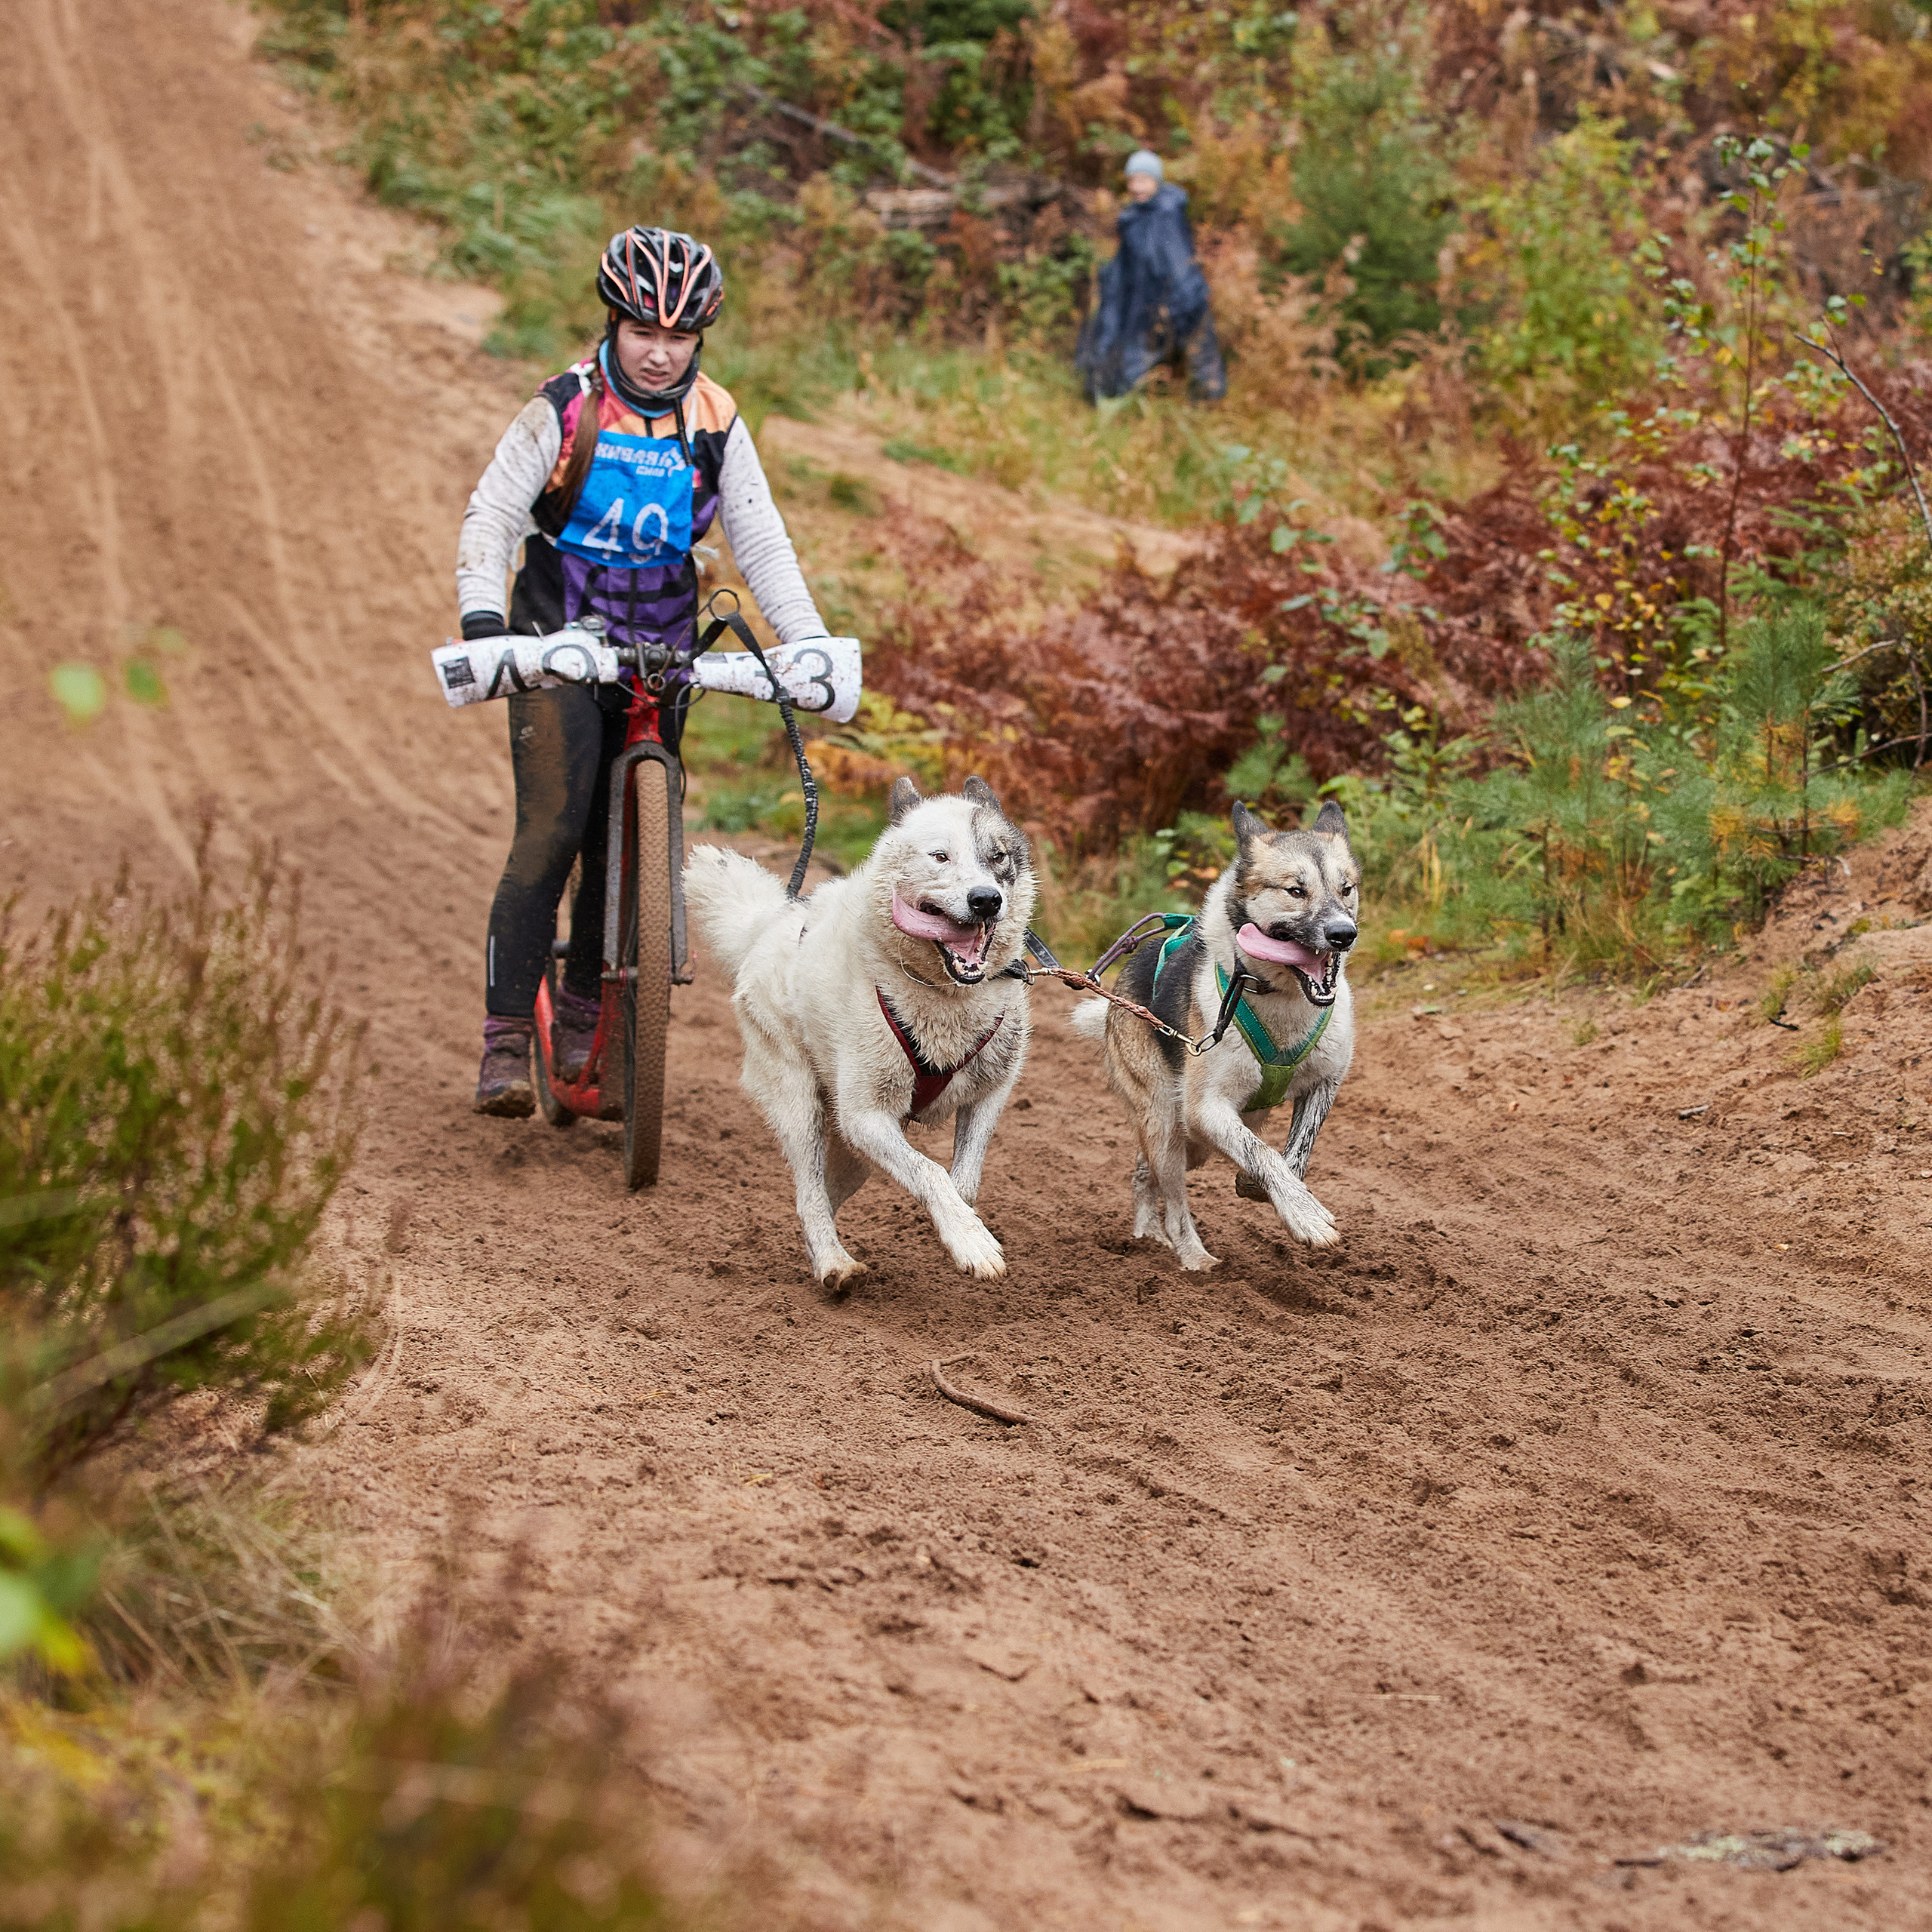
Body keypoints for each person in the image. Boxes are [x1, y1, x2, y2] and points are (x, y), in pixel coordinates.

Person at [456, 226, 829, 1116]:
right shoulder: (564, 410)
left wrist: (807, 637)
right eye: (643, 333)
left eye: (678, 338)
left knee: (620, 845)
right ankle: (507, 1038)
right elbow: (491, 517)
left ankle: (587, 1014)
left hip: (663, 643)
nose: (660, 354)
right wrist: (481, 619)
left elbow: (761, 542)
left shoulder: (715, 421)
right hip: (556, 636)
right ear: (613, 324)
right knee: (554, 828)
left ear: (700, 338)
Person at [1075, 150, 1226, 404]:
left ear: (1157, 181)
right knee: (1133, 350)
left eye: (1143, 180)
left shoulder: (1168, 215)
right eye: (1132, 181)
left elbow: (1177, 261)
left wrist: (1182, 299)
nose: (1137, 188)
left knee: (1201, 350)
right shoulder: (1132, 219)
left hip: (1177, 295)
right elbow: (1129, 263)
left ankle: (1209, 403)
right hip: (1144, 300)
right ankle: (1125, 402)